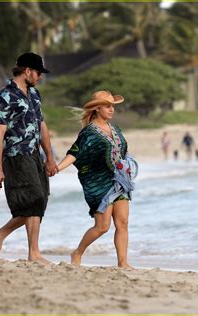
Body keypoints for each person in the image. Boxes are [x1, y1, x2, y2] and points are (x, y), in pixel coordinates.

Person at [0, 52, 58, 265]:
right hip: (16, 156)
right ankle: (33, 253)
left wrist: (50, 157)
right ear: (27, 71)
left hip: (35, 154)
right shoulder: (5, 96)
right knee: (33, 199)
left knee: (40, 200)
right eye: (38, 73)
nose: (40, 77)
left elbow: (42, 126)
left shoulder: (34, 94)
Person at [57, 91, 137, 269]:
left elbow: (122, 151)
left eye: (113, 106)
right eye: (107, 106)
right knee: (102, 227)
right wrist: (58, 168)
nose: (111, 110)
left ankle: (123, 262)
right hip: (99, 183)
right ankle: (77, 253)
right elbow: (74, 153)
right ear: (97, 108)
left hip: (120, 182)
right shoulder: (88, 132)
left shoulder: (115, 128)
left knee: (123, 223)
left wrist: (127, 166)